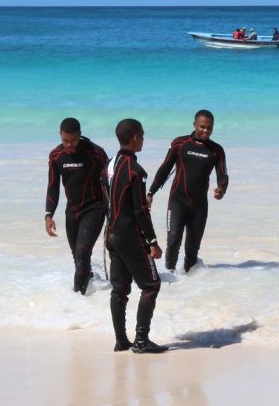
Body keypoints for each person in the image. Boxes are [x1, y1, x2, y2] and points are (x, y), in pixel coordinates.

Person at [106, 119, 167, 354]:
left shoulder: (109, 166)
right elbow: (140, 210)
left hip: (111, 234)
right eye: (142, 135)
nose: (143, 139)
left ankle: (121, 341)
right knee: (151, 285)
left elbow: (109, 200)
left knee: (119, 290)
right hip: (130, 236)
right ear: (134, 138)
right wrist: (153, 241)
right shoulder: (136, 171)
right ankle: (141, 341)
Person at [147, 110, 229, 273]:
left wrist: (222, 189)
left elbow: (223, 175)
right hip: (177, 201)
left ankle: (189, 284)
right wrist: (151, 193)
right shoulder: (180, 143)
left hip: (199, 205)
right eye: (202, 127)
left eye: (209, 128)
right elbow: (165, 169)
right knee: (173, 240)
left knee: (192, 250)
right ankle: (169, 276)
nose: (206, 131)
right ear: (194, 125)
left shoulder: (216, 150)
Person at [45, 117, 109, 295]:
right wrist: (48, 215)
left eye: (73, 140)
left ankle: (76, 300)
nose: (69, 145)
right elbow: (52, 187)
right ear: (60, 135)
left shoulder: (96, 153)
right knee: (78, 258)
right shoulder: (56, 156)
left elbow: (108, 183)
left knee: (82, 254)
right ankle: (90, 291)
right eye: (65, 140)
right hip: (72, 212)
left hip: (95, 208)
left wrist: (112, 212)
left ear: (80, 135)